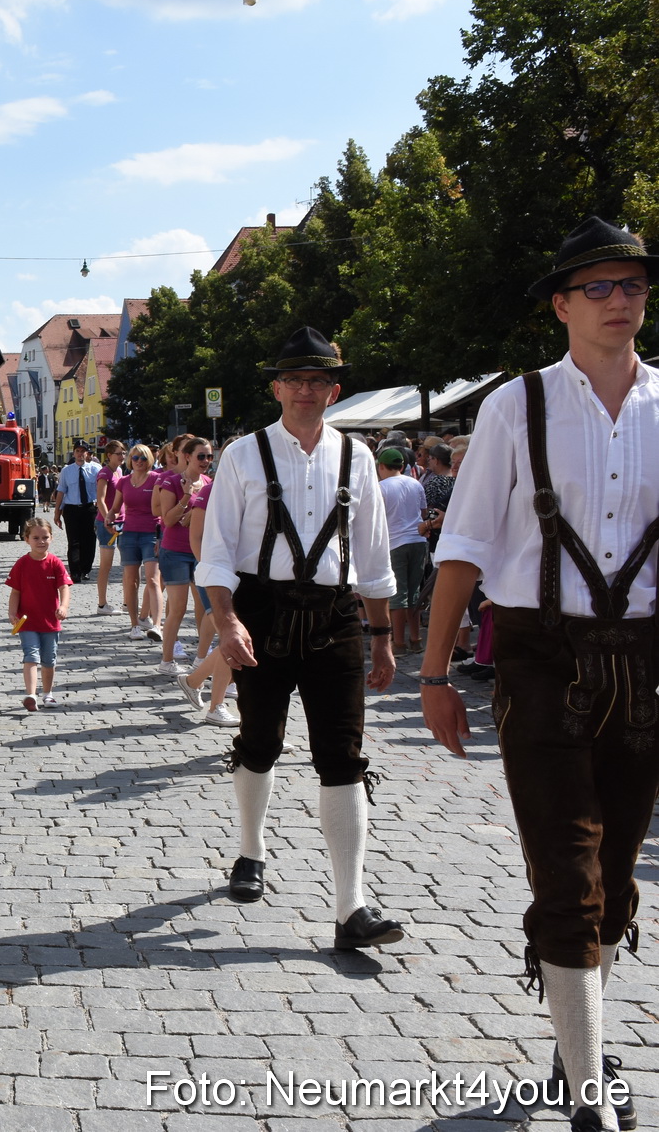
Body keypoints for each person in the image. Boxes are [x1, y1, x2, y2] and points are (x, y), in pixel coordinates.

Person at [421, 217, 659, 1132]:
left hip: (644, 664)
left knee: (620, 879)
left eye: (632, 284)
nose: (620, 301)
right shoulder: (514, 406)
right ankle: (592, 1096)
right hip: (540, 658)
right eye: (597, 287)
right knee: (569, 880)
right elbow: (465, 545)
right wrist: (436, 672)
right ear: (561, 305)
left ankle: (574, 1053)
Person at [195, 327, 402, 951]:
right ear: (277, 388)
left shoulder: (356, 457)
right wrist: (227, 621)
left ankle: (350, 909)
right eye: (295, 380)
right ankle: (251, 851)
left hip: (335, 616)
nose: (306, 391)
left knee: (343, 756)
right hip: (261, 610)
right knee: (260, 740)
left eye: (318, 381)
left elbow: (373, 555)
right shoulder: (242, 454)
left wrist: (383, 635)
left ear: (333, 390)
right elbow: (218, 551)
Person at [176, 460, 238, 727]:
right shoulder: (212, 491)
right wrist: (211, 573)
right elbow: (196, 537)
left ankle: (194, 681)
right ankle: (217, 704)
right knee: (231, 637)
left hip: (246, 574)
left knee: (238, 640)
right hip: (218, 575)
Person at [154, 436, 214, 673]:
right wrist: (187, 498)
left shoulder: (209, 481)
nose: (206, 461)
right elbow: (167, 519)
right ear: (187, 456)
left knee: (204, 608)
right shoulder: (171, 481)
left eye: (209, 456)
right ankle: (167, 661)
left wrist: (196, 515)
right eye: (201, 456)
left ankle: (202, 656)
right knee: (178, 608)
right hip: (175, 551)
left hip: (201, 552)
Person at [7, 517, 71, 710]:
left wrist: (64, 607)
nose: (41, 541)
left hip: (50, 622)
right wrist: (12, 612)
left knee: (49, 659)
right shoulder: (22, 564)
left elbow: (64, 588)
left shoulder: (55, 563)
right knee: (31, 656)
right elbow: (15, 591)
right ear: (26, 539)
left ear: (51, 538)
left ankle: (48, 693)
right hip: (27, 622)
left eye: (45, 537)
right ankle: (31, 694)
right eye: (36, 538)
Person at [375, 447, 428, 654]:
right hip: (418, 540)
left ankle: (398, 642)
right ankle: (416, 639)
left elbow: (376, 518)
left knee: (398, 594)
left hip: (395, 542)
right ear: (403, 466)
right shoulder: (415, 483)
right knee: (414, 592)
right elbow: (423, 512)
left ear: (381, 466)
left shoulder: (381, 487)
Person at [116, 444, 164, 640]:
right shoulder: (124, 481)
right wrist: (110, 520)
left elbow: (162, 507)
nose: (139, 462)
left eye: (143, 458)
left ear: (149, 460)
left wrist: (161, 536)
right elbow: (115, 508)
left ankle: (157, 625)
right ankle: (135, 624)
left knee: (153, 580)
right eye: (135, 458)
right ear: (130, 460)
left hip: (150, 533)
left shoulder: (156, 479)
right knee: (130, 581)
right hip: (128, 534)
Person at [53, 443, 99, 583]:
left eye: (83, 451)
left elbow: (103, 490)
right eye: (77, 451)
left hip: (90, 508)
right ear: (73, 454)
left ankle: (85, 569)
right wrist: (57, 512)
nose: (80, 454)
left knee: (89, 541)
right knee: (73, 541)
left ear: (87, 454)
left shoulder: (96, 469)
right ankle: (75, 572)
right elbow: (61, 491)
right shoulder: (67, 471)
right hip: (71, 509)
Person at [93, 440, 126, 615]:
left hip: (122, 521)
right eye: (119, 453)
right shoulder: (104, 473)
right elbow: (101, 499)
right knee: (106, 565)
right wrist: (108, 519)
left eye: (123, 453)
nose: (122, 456)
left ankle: (127, 602)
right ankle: (102, 604)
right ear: (109, 455)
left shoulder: (119, 471)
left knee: (128, 563)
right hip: (107, 524)